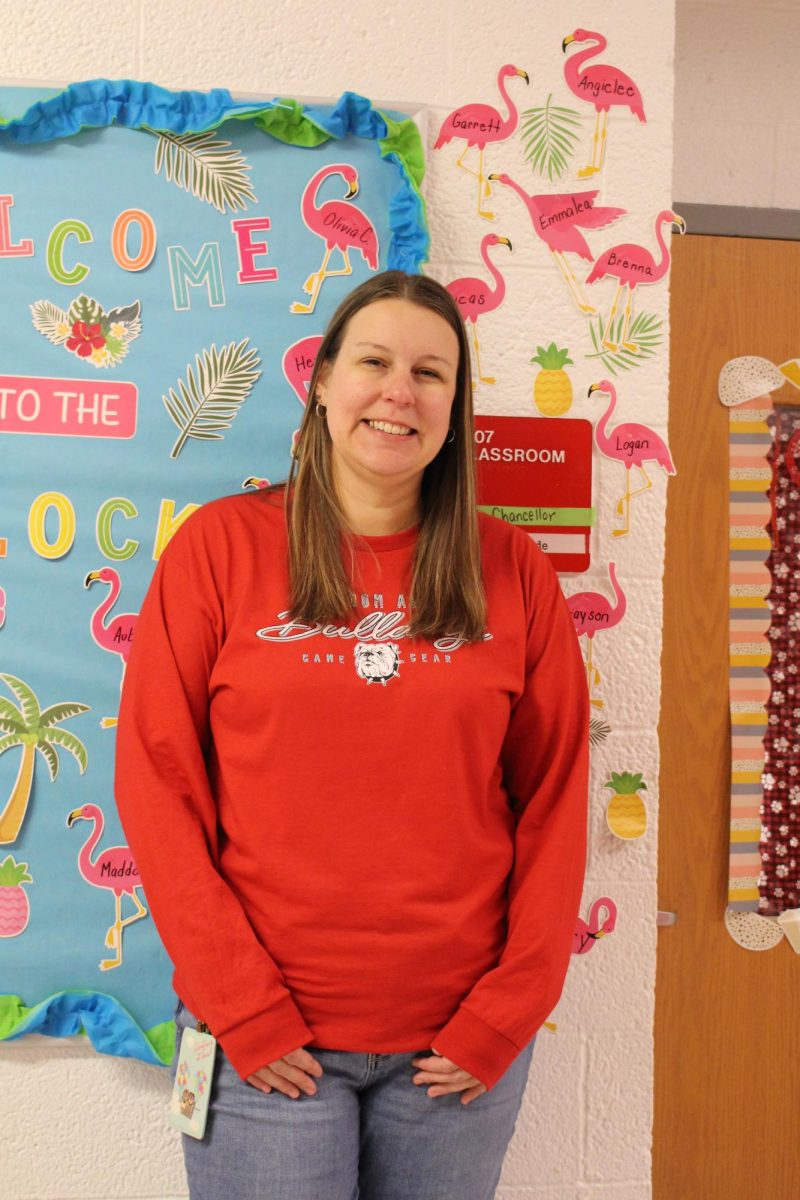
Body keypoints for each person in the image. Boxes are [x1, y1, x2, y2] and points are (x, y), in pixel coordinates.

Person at [115, 269, 589, 1200]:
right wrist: (242, 1008)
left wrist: (508, 1009)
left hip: (455, 1051)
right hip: (261, 1046)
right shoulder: (219, 550)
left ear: (455, 406)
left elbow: (556, 798)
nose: (398, 391)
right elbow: (157, 784)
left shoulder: (513, 570)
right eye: (373, 361)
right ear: (324, 381)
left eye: (431, 372)